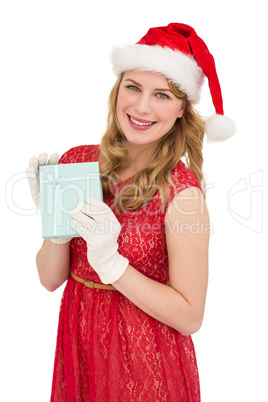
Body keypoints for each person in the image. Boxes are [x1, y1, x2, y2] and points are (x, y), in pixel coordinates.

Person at [27, 23, 234, 401]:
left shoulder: (182, 194)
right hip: (80, 353)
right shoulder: (79, 162)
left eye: (162, 95)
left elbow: (190, 316)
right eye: (133, 87)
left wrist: (112, 264)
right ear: (117, 90)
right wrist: (55, 229)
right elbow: (49, 278)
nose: (141, 107)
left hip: (145, 365)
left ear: (181, 108)